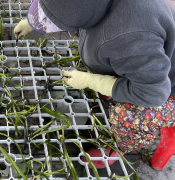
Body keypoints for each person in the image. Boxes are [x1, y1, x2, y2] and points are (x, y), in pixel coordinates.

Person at [14, 0, 175, 169]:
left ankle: (118, 147)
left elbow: (153, 93)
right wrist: (36, 22)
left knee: (128, 114)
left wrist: (91, 81)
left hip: (164, 90)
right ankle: (115, 87)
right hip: (152, 63)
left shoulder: (130, 35)